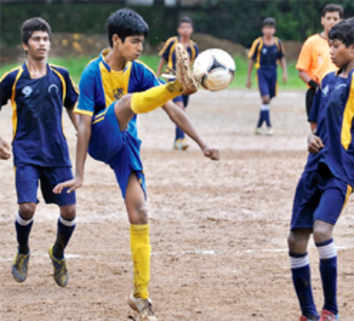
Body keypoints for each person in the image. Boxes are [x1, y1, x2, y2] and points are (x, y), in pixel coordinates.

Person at [53, 9, 218, 321]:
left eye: (143, 42)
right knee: (127, 102)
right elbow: (83, 125)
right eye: (134, 42)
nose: (140, 47)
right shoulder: (92, 72)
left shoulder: (139, 69)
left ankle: (140, 298)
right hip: (101, 137)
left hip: (126, 147)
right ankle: (178, 84)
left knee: (140, 214)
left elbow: (171, 111)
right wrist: (80, 174)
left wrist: (202, 143)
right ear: (116, 40)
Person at [288, 17, 354, 321]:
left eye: (337, 46)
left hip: (341, 170)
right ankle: (308, 313)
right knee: (295, 240)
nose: (331, 52)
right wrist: (310, 138)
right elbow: (315, 128)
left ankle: (331, 310)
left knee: (321, 231)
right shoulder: (327, 81)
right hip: (313, 168)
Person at [0, 17, 79, 287]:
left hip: (57, 154)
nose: (42, 43)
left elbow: (74, 107)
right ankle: (23, 251)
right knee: (27, 206)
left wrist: (84, 132)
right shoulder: (13, 78)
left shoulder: (61, 76)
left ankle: (57, 253)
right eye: (36, 39)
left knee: (69, 211)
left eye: (45, 39)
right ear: (25, 44)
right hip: (26, 153)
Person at [296, 4, 343, 129]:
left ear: (341, 21)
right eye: (328, 18)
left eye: (335, 18)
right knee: (317, 132)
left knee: (337, 130)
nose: (331, 22)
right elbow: (301, 70)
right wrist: (316, 87)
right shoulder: (312, 42)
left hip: (338, 91)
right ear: (322, 20)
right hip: (316, 92)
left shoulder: (345, 44)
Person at [157, 16, 199, 150]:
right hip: (172, 77)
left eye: (188, 27)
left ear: (192, 30)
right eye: (183, 27)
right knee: (179, 106)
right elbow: (163, 58)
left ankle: (177, 139)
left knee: (182, 110)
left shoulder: (194, 47)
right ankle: (181, 139)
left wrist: (195, 80)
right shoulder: (172, 42)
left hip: (186, 81)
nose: (185, 30)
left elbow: (194, 65)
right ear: (178, 30)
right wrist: (157, 75)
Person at [246, 17, 288, 136]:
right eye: (266, 28)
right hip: (261, 72)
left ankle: (259, 126)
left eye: (271, 28)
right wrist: (248, 78)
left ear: (274, 30)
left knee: (268, 100)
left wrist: (285, 72)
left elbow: (282, 58)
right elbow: (251, 60)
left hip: (273, 72)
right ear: (262, 30)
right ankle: (269, 126)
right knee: (265, 98)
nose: (268, 31)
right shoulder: (258, 42)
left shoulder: (277, 43)